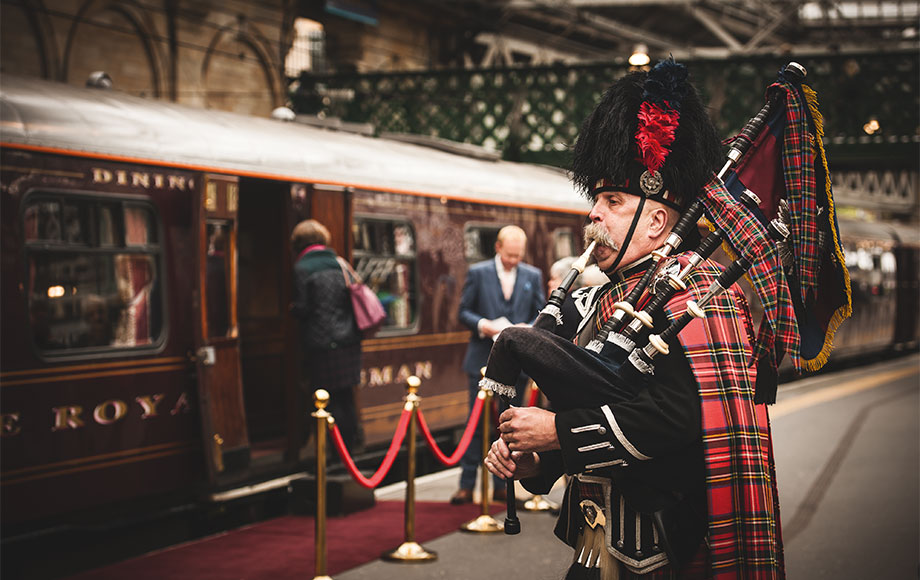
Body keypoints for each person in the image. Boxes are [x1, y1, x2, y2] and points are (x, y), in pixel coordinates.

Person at [484, 60, 785, 579]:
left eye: (612, 200)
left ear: (657, 220)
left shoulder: (697, 290)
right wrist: (535, 462)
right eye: (595, 200)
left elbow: (676, 418)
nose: (593, 215)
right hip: (595, 544)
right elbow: (589, 406)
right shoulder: (606, 297)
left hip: (669, 548)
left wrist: (556, 432)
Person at [451, 224, 546, 504]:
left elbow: (541, 314)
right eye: (509, 255)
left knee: (510, 426)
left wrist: (524, 328)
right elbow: (463, 312)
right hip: (481, 358)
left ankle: (503, 486)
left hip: (517, 363)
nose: (514, 261)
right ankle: (466, 484)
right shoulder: (478, 273)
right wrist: (485, 326)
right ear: (498, 248)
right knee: (475, 422)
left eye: (518, 256)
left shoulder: (533, 275)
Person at [291, 219, 364, 452]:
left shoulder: (302, 268)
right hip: (348, 342)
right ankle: (351, 448)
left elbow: (303, 308)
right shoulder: (339, 263)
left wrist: (291, 309)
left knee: (327, 400)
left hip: (321, 343)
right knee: (346, 399)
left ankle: (333, 452)